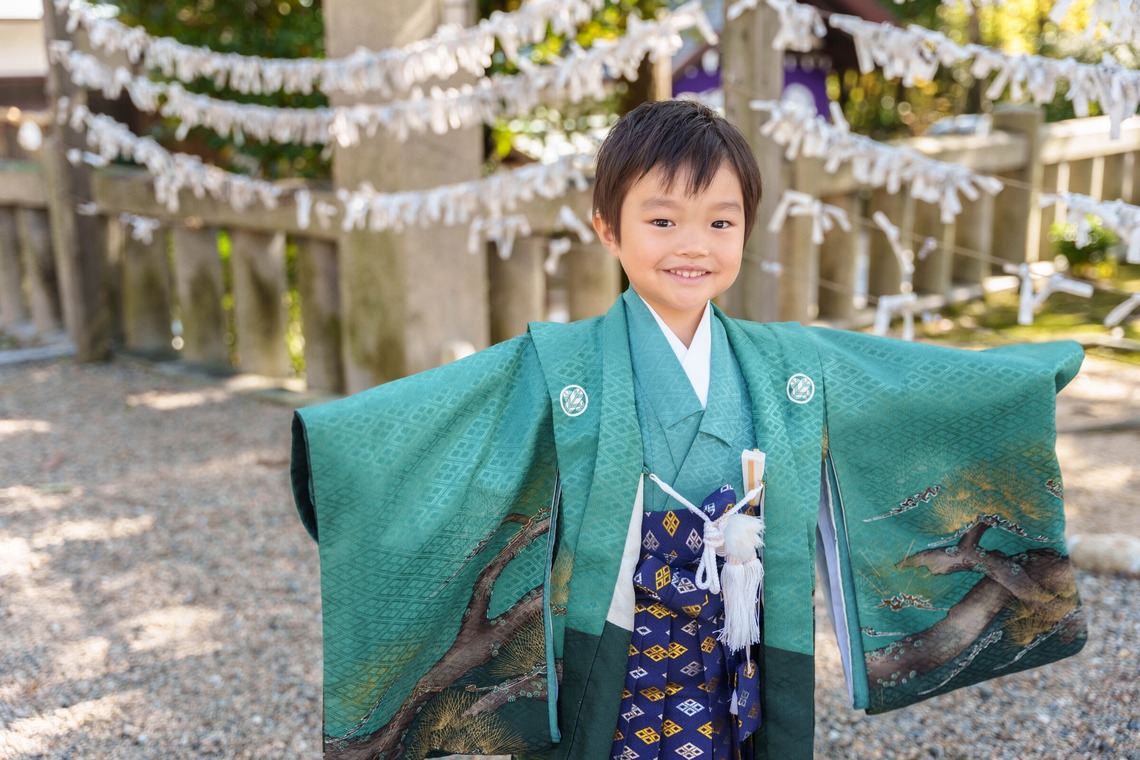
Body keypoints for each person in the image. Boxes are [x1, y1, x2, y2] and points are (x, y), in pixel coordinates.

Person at [290, 100, 1087, 760]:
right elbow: (443, 418)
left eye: (720, 222)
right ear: (608, 228)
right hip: (619, 646)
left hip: (739, 640)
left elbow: (903, 388)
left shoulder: (786, 366)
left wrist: (1022, 379)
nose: (694, 246)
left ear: (746, 229)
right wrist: (340, 458)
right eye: (663, 219)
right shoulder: (562, 367)